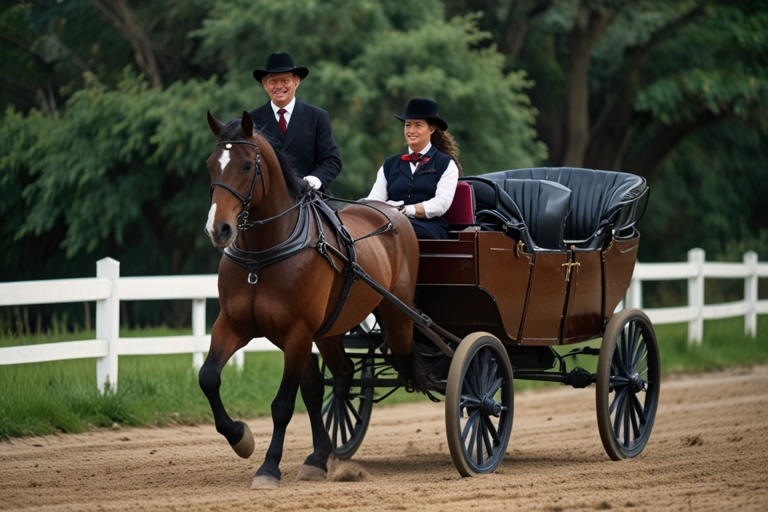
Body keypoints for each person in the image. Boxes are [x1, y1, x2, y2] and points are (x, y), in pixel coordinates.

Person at [366, 98, 462, 239]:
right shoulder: (389, 164)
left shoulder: (446, 164)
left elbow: (441, 203)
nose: (411, 131)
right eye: (407, 125)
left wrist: (407, 210)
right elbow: (375, 199)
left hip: (429, 227)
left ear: (431, 129)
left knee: (392, 228)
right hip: (390, 222)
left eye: (418, 125)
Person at [249, 52, 342, 192]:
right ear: (265, 84)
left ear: (296, 82)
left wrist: (312, 181)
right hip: (267, 201)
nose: (279, 86)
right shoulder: (251, 121)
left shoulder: (318, 117)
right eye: (273, 81)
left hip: (311, 198)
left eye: (285, 80)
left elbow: (332, 161)